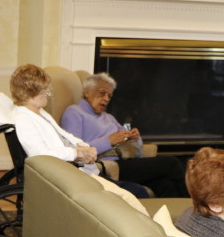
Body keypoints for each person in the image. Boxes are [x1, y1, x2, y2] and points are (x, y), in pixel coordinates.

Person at [9, 64, 149, 198]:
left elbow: (66, 136)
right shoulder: (24, 119)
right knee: (137, 193)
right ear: (31, 91)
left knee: (139, 190)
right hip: (69, 173)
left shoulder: (39, 112)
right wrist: (76, 153)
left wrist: (85, 148)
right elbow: (39, 155)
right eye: (45, 90)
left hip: (80, 167)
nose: (49, 94)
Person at [60, 72, 188, 197]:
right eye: (102, 93)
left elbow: (136, 147)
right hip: (109, 166)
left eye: (109, 96)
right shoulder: (74, 112)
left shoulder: (108, 117)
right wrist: (108, 140)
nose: (106, 99)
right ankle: (197, 209)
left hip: (126, 159)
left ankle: (172, 217)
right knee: (171, 163)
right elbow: (75, 150)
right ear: (87, 92)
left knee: (166, 185)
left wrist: (136, 138)